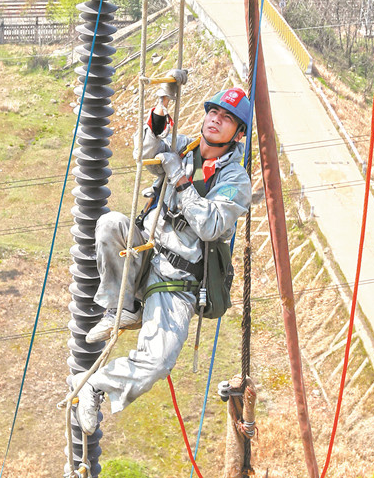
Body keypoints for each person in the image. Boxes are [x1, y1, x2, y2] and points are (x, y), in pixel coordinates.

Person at [72, 70, 252, 435]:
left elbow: (211, 226)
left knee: (157, 362)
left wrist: (182, 182)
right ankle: (123, 306)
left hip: (178, 280)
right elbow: (145, 151)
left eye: (227, 118)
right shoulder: (182, 147)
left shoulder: (235, 181)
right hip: (148, 254)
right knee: (109, 225)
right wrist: (159, 112)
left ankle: (95, 385)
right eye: (213, 112)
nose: (216, 120)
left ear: (238, 133)